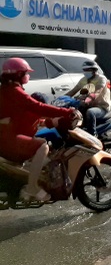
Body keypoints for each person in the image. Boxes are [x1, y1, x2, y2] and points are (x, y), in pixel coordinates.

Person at [0, 58, 77, 202]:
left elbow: (24, 117)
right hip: (9, 140)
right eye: (26, 73)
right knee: (42, 145)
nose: (28, 76)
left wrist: (49, 121)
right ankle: (32, 188)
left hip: (7, 136)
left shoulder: (5, 90)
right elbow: (38, 107)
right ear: (18, 74)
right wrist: (66, 112)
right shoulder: (14, 91)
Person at [65, 60, 111, 136]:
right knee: (73, 112)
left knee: (90, 112)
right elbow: (73, 90)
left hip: (102, 107)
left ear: (94, 70)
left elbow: (97, 92)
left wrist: (87, 100)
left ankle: (92, 136)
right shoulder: (83, 80)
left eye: (88, 70)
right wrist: (62, 98)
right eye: (84, 70)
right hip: (88, 105)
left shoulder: (101, 79)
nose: (85, 72)